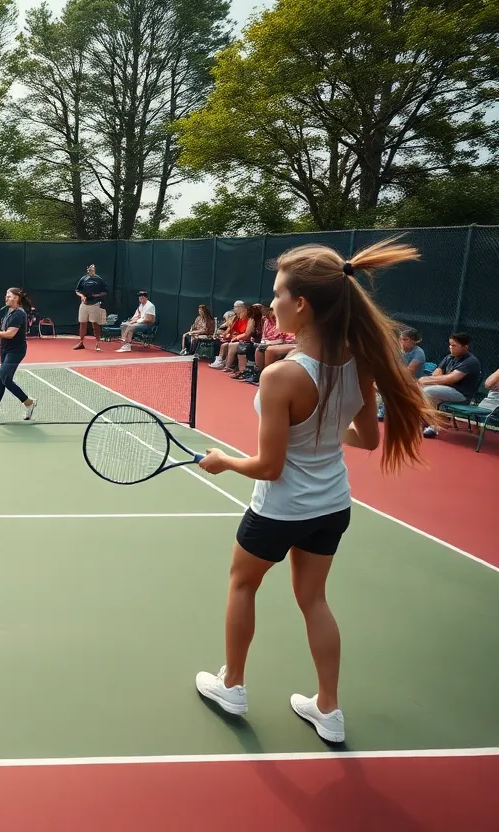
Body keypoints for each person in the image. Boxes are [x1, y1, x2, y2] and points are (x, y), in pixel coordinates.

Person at [194, 239, 436, 745]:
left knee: (243, 584)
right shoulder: (361, 361)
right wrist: (324, 435)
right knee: (314, 599)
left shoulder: (280, 375)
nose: (272, 301)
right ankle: (329, 709)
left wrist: (222, 461)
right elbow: (368, 437)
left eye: (278, 293)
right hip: (332, 507)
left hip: (280, 509)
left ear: (301, 304)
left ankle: (231, 685)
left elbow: (268, 465)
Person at [0, 288, 38, 419]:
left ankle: (28, 402)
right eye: (6, 295)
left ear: (16, 298)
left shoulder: (19, 314)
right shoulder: (5, 310)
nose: (6, 297)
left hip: (16, 350)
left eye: (9, 296)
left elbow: (9, 334)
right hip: (5, 348)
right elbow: (2, 325)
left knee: (4, 377)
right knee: (2, 378)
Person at [417, 332, 481, 438]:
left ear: (465, 347)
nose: (450, 347)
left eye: (454, 345)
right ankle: (425, 420)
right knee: (419, 389)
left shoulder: (471, 361)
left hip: (461, 395)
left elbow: (451, 379)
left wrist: (426, 380)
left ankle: (433, 426)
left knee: (427, 391)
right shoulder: (449, 358)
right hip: (445, 390)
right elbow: (437, 373)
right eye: (450, 345)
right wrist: (428, 380)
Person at [74, 265, 108, 351]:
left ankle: (97, 343)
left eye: (92, 270)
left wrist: (96, 295)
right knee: (82, 323)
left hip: (94, 305)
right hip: (84, 304)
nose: (91, 271)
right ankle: (81, 342)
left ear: (95, 270)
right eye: (89, 270)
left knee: (95, 324)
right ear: (87, 270)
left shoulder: (99, 280)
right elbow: (77, 290)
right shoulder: (83, 279)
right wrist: (82, 296)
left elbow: (105, 292)